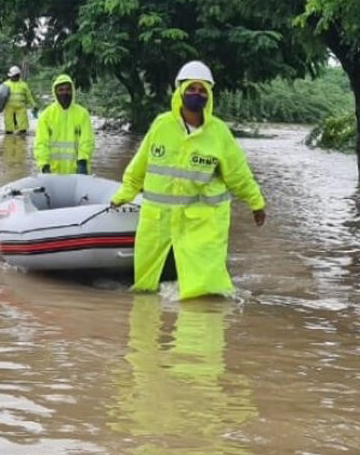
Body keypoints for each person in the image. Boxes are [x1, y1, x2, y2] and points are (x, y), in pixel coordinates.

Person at [109, 61, 267, 300]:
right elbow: (139, 166)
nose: (197, 94)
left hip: (201, 221)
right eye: (191, 89)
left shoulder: (219, 133)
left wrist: (255, 202)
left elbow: (238, 174)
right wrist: (123, 195)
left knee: (205, 289)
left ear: (209, 95)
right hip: (158, 219)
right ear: (180, 91)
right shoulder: (161, 125)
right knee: (145, 290)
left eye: (202, 90)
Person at [34, 74, 94, 175]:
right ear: (55, 92)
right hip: (53, 172)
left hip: (78, 171)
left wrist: (83, 162)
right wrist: (44, 165)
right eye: (60, 90)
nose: (64, 93)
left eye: (67, 89)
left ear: (72, 91)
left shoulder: (82, 114)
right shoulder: (46, 115)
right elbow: (41, 143)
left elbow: (87, 141)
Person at [2, 65, 37, 135]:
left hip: (20, 108)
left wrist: (34, 105)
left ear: (18, 75)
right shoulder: (5, 84)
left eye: (16, 76)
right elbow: (0, 96)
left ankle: (22, 143)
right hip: (9, 108)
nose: (14, 77)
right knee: (9, 130)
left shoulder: (24, 85)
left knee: (23, 129)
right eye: (13, 76)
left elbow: (29, 96)